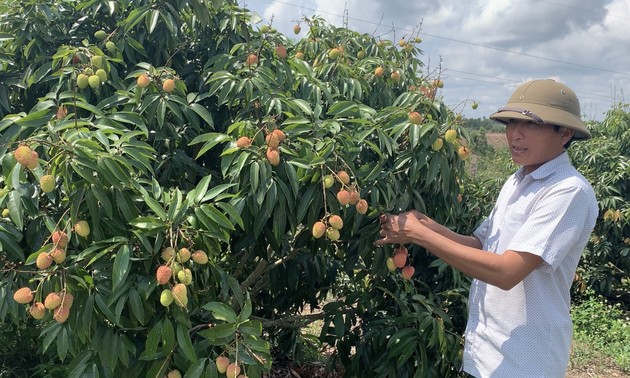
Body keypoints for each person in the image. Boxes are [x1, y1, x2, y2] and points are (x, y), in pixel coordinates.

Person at [375, 79, 598, 377]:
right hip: (486, 352)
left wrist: (419, 234)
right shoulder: (517, 181)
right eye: (510, 122)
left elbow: (507, 271)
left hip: (526, 361)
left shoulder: (568, 191)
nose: (515, 134)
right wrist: (431, 226)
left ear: (565, 133)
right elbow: (483, 245)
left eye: (530, 125)